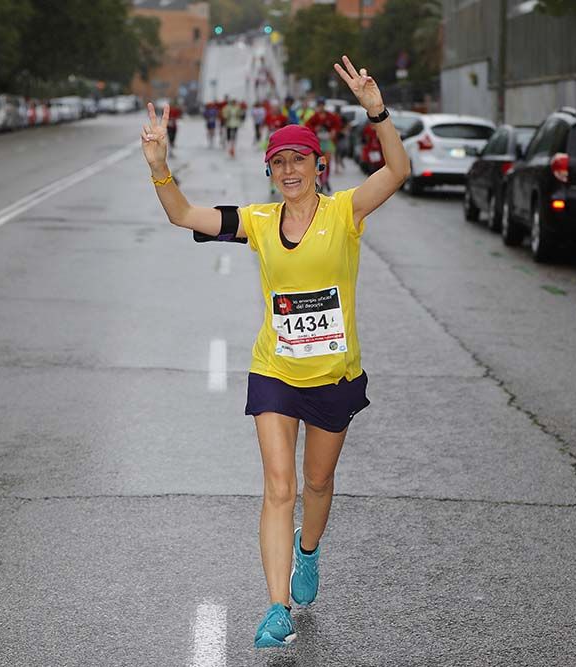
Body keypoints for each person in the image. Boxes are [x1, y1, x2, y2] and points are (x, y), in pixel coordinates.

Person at [140, 55, 410, 648]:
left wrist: (376, 110)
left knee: (317, 485)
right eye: (279, 162)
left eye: (299, 160)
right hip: (275, 372)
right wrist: (160, 166)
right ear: (271, 171)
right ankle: (276, 605)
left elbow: (398, 168)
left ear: (319, 165)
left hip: (335, 375)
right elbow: (183, 214)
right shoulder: (259, 222)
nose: (290, 170)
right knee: (279, 487)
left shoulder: (346, 212)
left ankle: (307, 551)